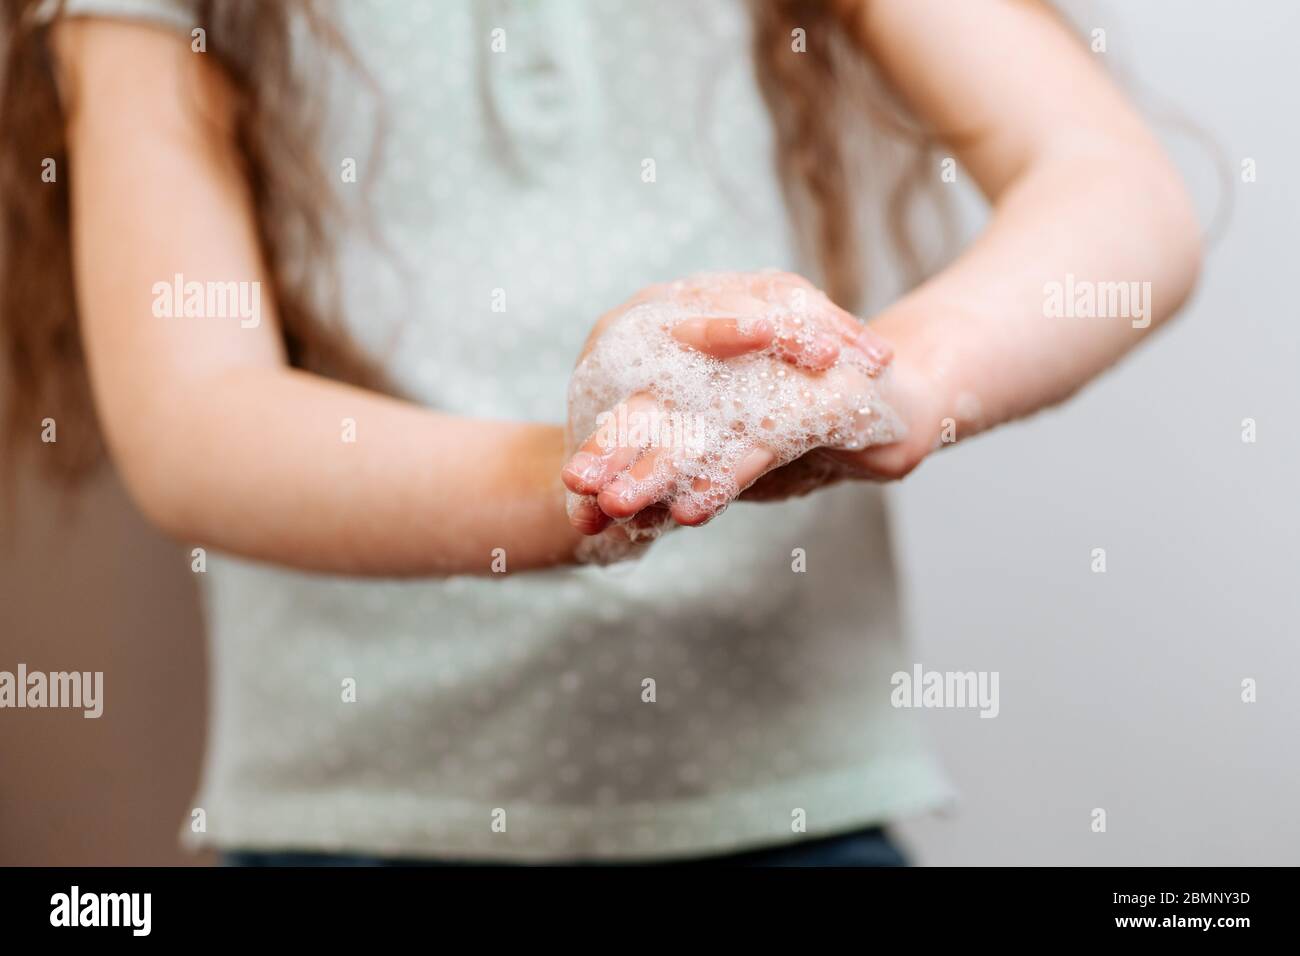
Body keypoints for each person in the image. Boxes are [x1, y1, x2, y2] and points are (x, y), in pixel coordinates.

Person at [1, 0, 1201, 865]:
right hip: (360, 821)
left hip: (791, 806)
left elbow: (1112, 189)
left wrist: (901, 383)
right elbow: (195, 419)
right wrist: (592, 471)